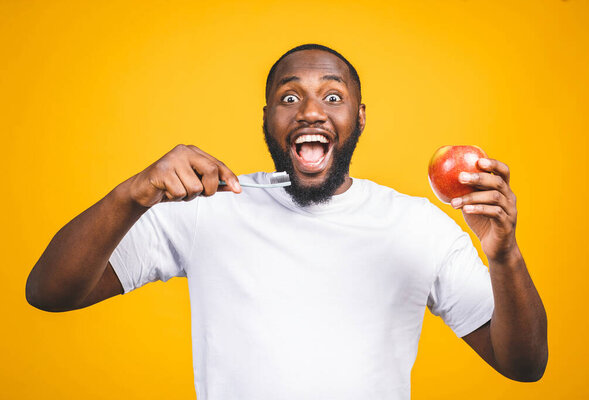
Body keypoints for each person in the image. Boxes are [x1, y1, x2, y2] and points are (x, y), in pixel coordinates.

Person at [26, 44, 548, 399]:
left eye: (334, 96)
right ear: (268, 120)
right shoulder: (207, 208)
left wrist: (505, 256)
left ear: (359, 119)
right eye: (290, 97)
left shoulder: (417, 226)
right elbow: (50, 291)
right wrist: (131, 194)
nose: (311, 112)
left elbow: (523, 365)